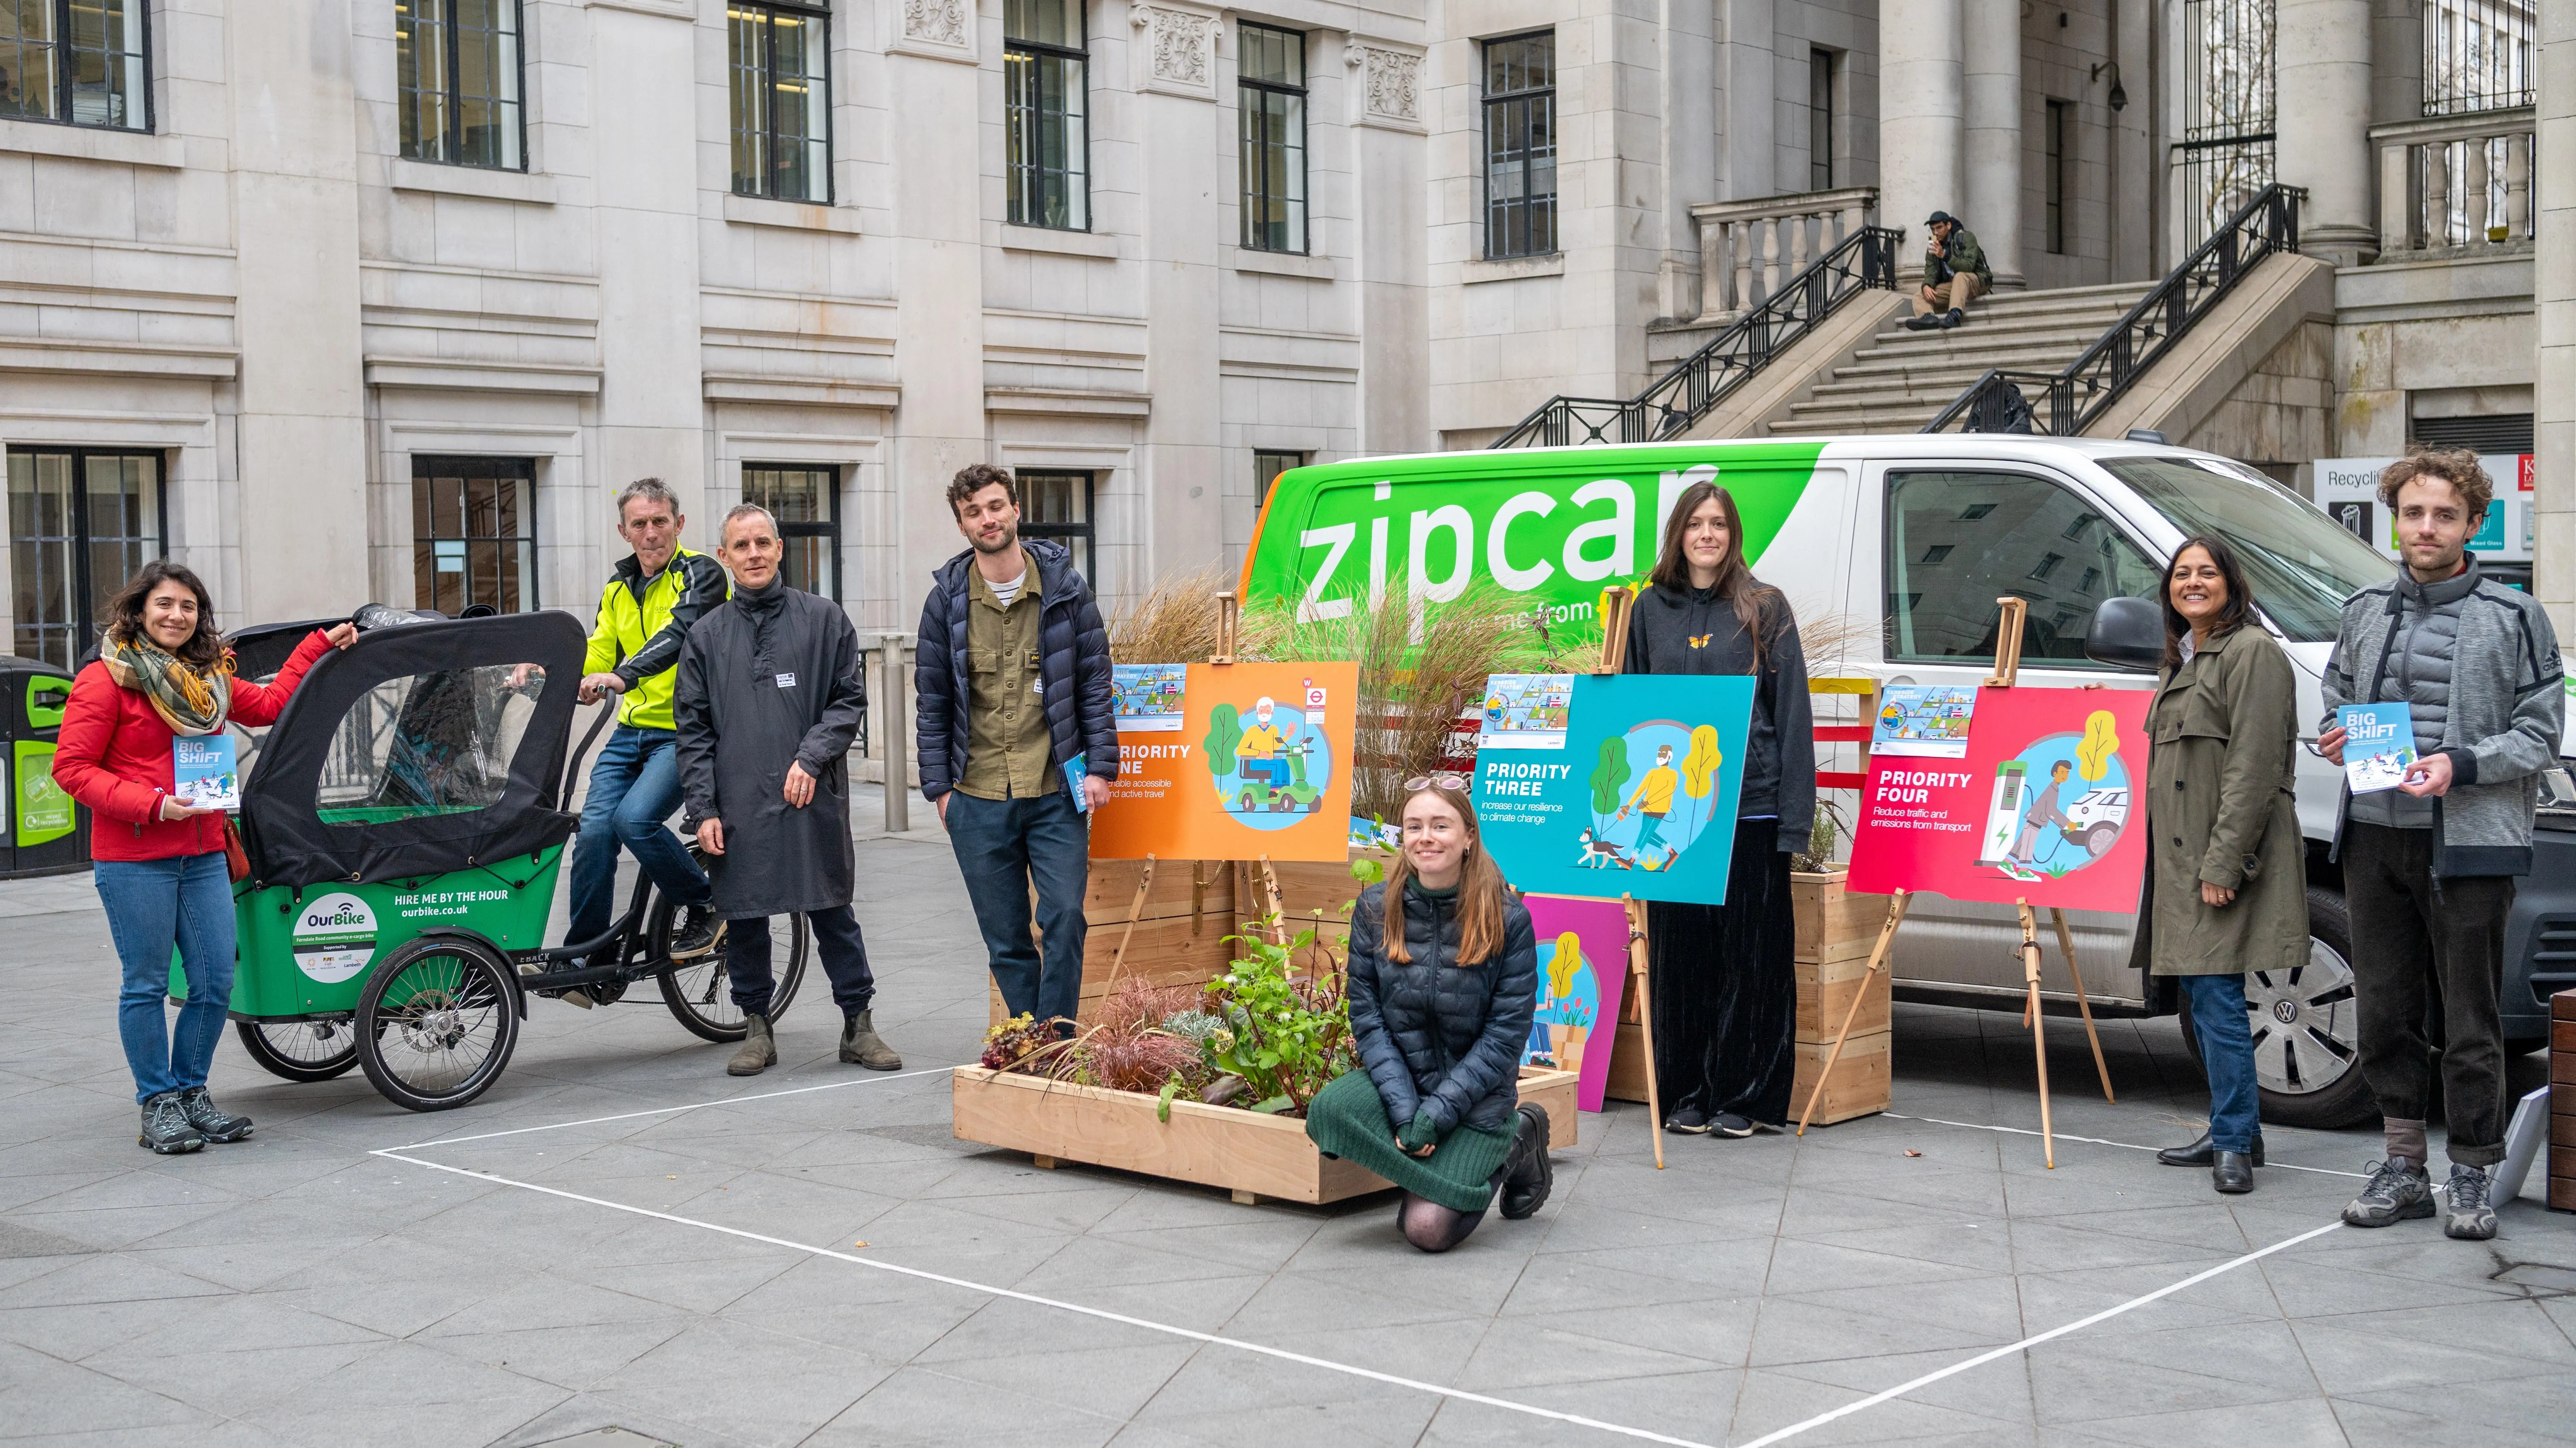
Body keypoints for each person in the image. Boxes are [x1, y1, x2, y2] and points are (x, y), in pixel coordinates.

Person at [2318, 448, 2562, 1241]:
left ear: (2473, 524)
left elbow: (2540, 733)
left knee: (2470, 1016)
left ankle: (2471, 1169)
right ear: (2396, 516)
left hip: (2470, 846)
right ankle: (2402, 1167)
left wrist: (2461, 763)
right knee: (2386, 1010)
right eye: (2415, 512)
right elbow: (2338, 695)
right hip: (2375, 836)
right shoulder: (2362, 610)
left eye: (2445, 515)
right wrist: (2336, 734)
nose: (2427, 528)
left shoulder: (2517, 617)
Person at [53, 561, 355, 1153]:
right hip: (136, 855)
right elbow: (72, 769)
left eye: (188, 606)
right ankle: (158, 1103)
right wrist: (154, 804)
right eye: (165, 604)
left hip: (204, 852)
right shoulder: (106, 680)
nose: (176, 615)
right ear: (140, 610)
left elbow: (269, 705)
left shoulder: (209, 679)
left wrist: (319, 644)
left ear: (200, 616)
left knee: (216, 979)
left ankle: (192, 1091)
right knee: (143, 984)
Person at [674, 505, 903, 1077]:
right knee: (746, 916)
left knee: (832, 910)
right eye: (740, 545)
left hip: (810, 796)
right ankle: (756, 1027)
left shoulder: (824, 620)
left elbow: (848, 700)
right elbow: (693, 730)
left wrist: (811, 755)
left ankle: (859, 1023)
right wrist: (702, 808)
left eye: (762, 542)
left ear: (780, 549)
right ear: (724, 557)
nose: (753, 554)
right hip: (738, 801)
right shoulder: (704, 637)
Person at [1624, 479, 1814, 1137]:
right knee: (1682, 960)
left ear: (1733, 537)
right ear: (1679, 533)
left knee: (1751, 958)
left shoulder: (1765, 607)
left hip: (1751, 812)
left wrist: (1794, 819)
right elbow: (1630, 708)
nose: (1708, 534)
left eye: (1720, 525)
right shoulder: (1648, 610)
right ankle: (1687, 1092)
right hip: (1676, 818)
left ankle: (1747, 1096)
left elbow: (1791, 719)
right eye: (1696, 523)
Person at [1304, 778, 1553, 1252]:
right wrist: (1405, 1113)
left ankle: (1520, 1139)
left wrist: (1436, 1117)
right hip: (1408, 1083)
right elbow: (1369, 1018)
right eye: (1414, 826)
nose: (1426, 837)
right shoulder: (1376, 908)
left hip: (1478, 1098)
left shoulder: (1508, 918)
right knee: (1330, 1113)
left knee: (1426, 1230)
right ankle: (1436, 1170)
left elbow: (1505, 1038)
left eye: (1442, 825)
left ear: (1469, 837)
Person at [915, 463, 1117, 1030]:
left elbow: (1093, 681)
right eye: (974, 511)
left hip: (1055, 789)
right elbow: (931, 699)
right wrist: (939, 792)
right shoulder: (946, 602)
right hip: (975, 795)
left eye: (996, 505)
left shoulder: (1066, 590)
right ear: (962, 524)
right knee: (1004, 936)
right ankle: (1031, 1037)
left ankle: (1056, 1034)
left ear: (1016, 510)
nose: (988, 518)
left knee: (1065, 916)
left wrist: (1101, 766)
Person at [2138, 537, 2307, 1195]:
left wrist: (2225, 862)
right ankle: (2236, 1128)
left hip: (2219, 859)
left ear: (2233, 584)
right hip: (2183, 863)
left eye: (2206, 572)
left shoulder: (2252, 653)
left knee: (2216, 997)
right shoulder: (2184, 657)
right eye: (2182, 574)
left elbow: (2254, 767)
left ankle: (2234, 1141)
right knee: (2204, 997)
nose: (2193, 582)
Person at [560, 479, 728, 991]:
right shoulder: (617, 589)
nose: (651, 532)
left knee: (635, 820)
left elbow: (678, 635)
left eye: (660, 521)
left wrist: (622, 676)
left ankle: (707, 903)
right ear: (624, 531)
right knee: (592, 835)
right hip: (630, 732)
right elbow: (596, 652)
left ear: (679, 524)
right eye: (640, 523)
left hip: (684, 734)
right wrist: (550, 674)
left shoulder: (701, 573)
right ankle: (590, 957)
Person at [1905, 210, 1991, 331]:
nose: (1936, 232)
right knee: (1920, 295)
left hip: (1976, 281)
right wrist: (1927, 286)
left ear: (1949, 226)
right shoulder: (1933, 244)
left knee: (1960, 276)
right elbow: (1930, 271)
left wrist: (1945, 256)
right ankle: (1929, 318)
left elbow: (1969, 266)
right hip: (1954, 286)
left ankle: (1955, 316)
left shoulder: (1966, 237)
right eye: (1933, 229)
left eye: (1939, 228)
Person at [2007, 759, 2077, 875]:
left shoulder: (2055, 788)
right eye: (2062, 772)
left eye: (2067, 773)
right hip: (2036, 820)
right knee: (2028, 844)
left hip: (2035, 819)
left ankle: (2007, 862)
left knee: (2023, 842)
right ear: (2055, 773)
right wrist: (2067, 823)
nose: (2065, 775)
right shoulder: (2053, 789)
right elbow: (2051, 811)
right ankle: (2024, 870)